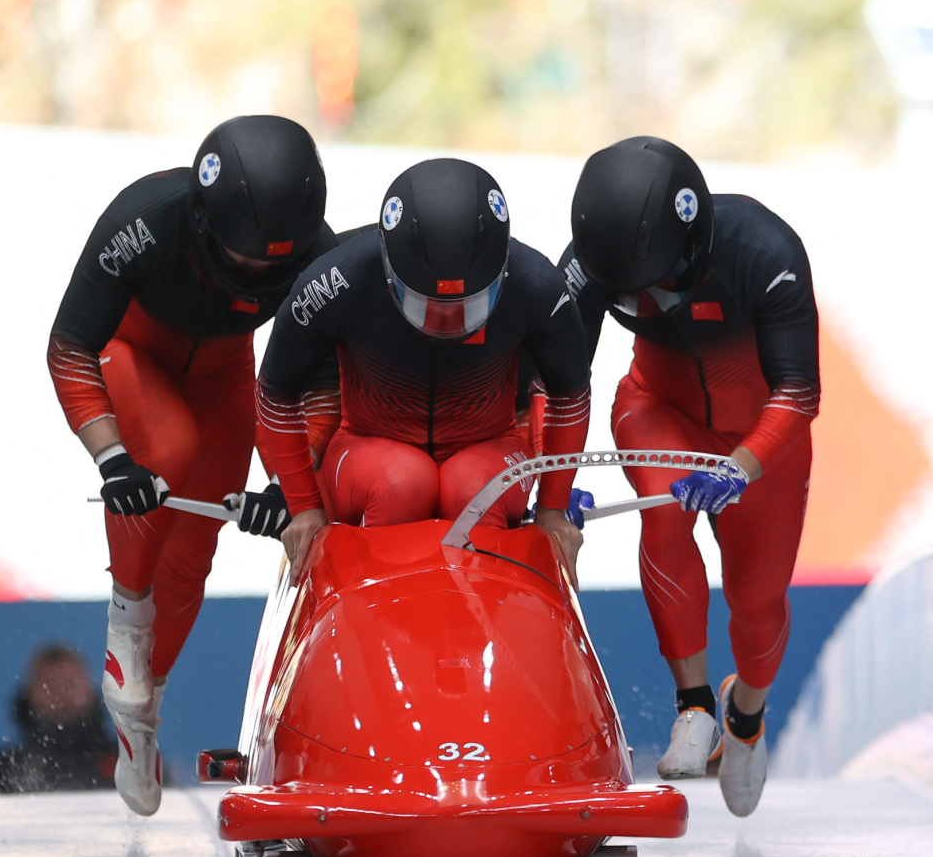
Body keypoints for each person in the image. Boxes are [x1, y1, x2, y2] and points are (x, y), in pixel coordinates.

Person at [48, 115, 346, 818]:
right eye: (247, 259)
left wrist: (290, 484)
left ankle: (140, 707)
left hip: (224, 372)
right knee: (169, 450)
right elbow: (69, 348)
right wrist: (112, 456)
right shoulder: (144, 222)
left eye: (278, 262)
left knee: (192, 555)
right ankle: (126, 619)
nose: (261, 273)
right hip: (134, 354)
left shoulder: (319, 255)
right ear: (205, 226)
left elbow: (327, 382)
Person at [561, 136, 819, 816]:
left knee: (757, 602)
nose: (649, 301)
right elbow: (558, 382)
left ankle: (744, 714)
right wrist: (547, 486)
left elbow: (798, 391)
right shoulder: (587, 268)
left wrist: (741, 465)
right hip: (659, 407)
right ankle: (694, 703)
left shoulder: (767, 253)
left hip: (763, 437)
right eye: (630, 292)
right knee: (664, 505)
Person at [257, 158, 592, 583]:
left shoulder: (539, 286)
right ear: (388, 271)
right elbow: (275, 390)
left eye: (469, 305)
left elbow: (571, 392)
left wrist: (551, 510)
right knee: (402, 483)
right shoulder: (335, 281)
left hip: (486, 446)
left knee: (474, 490)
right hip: (369, 446)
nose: (446, 322)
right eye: (425, 304)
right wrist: (303, 507)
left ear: (501, 273)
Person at [0, 643, 118, 794]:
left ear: (90, 690)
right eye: (49, 686)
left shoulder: (128, 763)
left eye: (70, 683)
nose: (60, 695)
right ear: (29, 694)